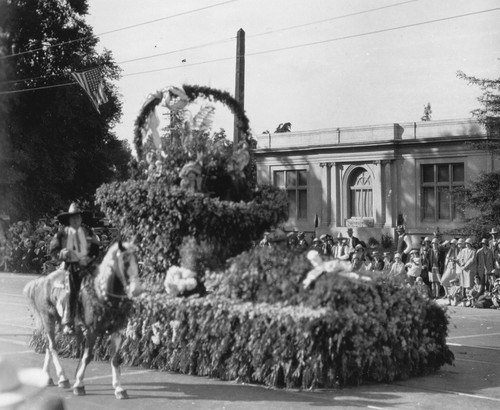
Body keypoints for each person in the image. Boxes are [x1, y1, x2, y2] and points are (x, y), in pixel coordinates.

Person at [49, 203, 100, 334]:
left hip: (88, 265)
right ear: (69, 220)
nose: (76, 220)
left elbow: (95, 249)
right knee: (72, 289)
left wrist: (88, 259)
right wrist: (62, 254)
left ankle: (103, 319)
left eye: (78, 217)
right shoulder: (61, 234)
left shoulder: (89, 232)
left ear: (81, 219)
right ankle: (69, 322)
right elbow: (53, 250)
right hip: (70, 267)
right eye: (73, 218)